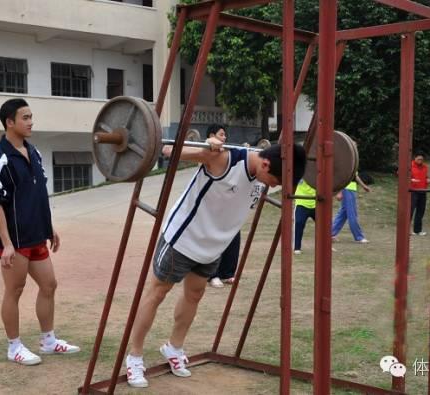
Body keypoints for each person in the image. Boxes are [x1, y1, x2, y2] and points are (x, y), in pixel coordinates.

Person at [124, 128, 306, 388]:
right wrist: (204, 148)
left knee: (194, 294)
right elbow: (168, 151)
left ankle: (173, 348)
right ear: (266, 164)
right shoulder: (223, 159)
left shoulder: (264, 169)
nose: (274, 186)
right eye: (275, 181)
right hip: (182, 239)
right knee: (157, 293)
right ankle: (134, 357)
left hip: (213, 247)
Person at [0, 98, 80, 366]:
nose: (31, 121)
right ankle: (14, 346)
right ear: (9, 122)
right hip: (14, 239)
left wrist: (49, 227)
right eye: (25, 117)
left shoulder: (33, 151)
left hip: (36, 233)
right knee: (15, 289)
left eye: (31, 116)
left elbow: (38, 192)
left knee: (49, 285)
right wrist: (7, 244)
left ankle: (48, 341)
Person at [204, 124, 240, 288]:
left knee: (233, 236)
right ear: (212, 135)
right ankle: (213, 275)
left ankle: (228, 273)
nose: (224, 137)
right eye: (221, 134)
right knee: (214, 241)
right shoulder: (205, 151)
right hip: (212, 203)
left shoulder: (227, 152)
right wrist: (210, 141)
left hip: (228, 201)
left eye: (225, 135)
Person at [331, 174, 371, 243]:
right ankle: (359, 237)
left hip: (349, 189)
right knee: (352, 214)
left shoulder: (352, 163)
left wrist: (364, 186)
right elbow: (341, 176)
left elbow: (355, 175)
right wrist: (339, 192)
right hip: (348, 189)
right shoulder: (346, 163)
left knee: (343, 214)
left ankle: (330, 234)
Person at [410, 152, 430, 236]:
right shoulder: (409, 165)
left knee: (420, 211)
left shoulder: (425, 167)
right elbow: (400, 174)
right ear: (414, 159)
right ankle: (406, 230)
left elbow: (425, 177)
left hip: (423, 191)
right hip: (412, 191)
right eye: (418, 159)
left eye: (422, 159)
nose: (420, 161)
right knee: (410, 210)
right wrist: (411, 180)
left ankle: (417, 230)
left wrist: (427, 180)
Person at [293, 179, 316, 255]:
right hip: (301, 202)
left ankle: (327, 245)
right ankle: (297, 248)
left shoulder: (317, 171)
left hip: (316, 202)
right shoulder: (300, 170)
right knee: (299, 223)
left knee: (324, 225)